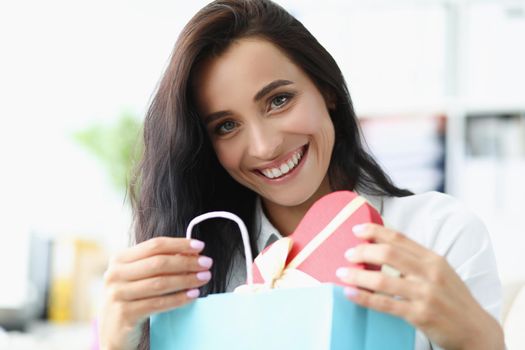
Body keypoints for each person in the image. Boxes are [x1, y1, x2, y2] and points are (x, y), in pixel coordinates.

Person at [98, 1, 505, 349]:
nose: (264, 146)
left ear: (325, 88)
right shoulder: (198, 264)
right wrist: (116, 342)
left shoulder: (436, 236)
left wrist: (478, 337)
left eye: (279, 100)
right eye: (226, 125)